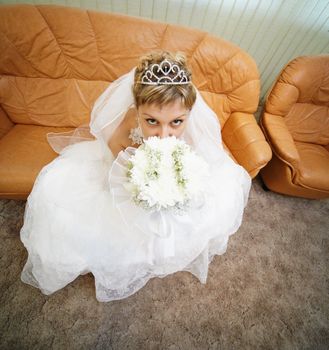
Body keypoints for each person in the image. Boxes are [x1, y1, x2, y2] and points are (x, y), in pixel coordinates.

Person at [19, 50, 251, 302]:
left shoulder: (191, 128)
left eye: (176, 122)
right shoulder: (121, 125)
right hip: (122, 180)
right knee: (82, 225)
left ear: (187, 114)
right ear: (137, 109)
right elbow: (116, 172)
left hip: (163, 185)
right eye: (151, 121)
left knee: (207, 205)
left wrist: (176, 184)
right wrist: (142, 182)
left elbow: (196, 165)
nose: (164, 134)